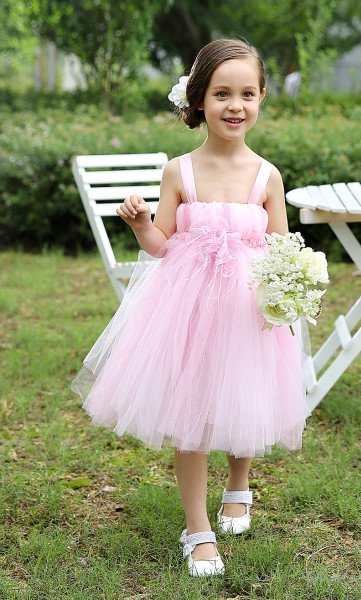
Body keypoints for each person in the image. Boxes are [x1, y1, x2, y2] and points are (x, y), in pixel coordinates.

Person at [71, 37, 313, 578]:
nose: (235, 105)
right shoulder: (181, 171)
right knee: (193, 413)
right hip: (191, 311)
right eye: (222, 93)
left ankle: (238, 482)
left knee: (244, 397)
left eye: (247, 93)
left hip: (248, 313)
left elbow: (282, 250)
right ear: (199, 99)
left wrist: (291, 291)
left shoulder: (266, 177)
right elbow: (163, 246)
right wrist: (140, 225)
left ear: (262, 98)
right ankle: (197, 527)